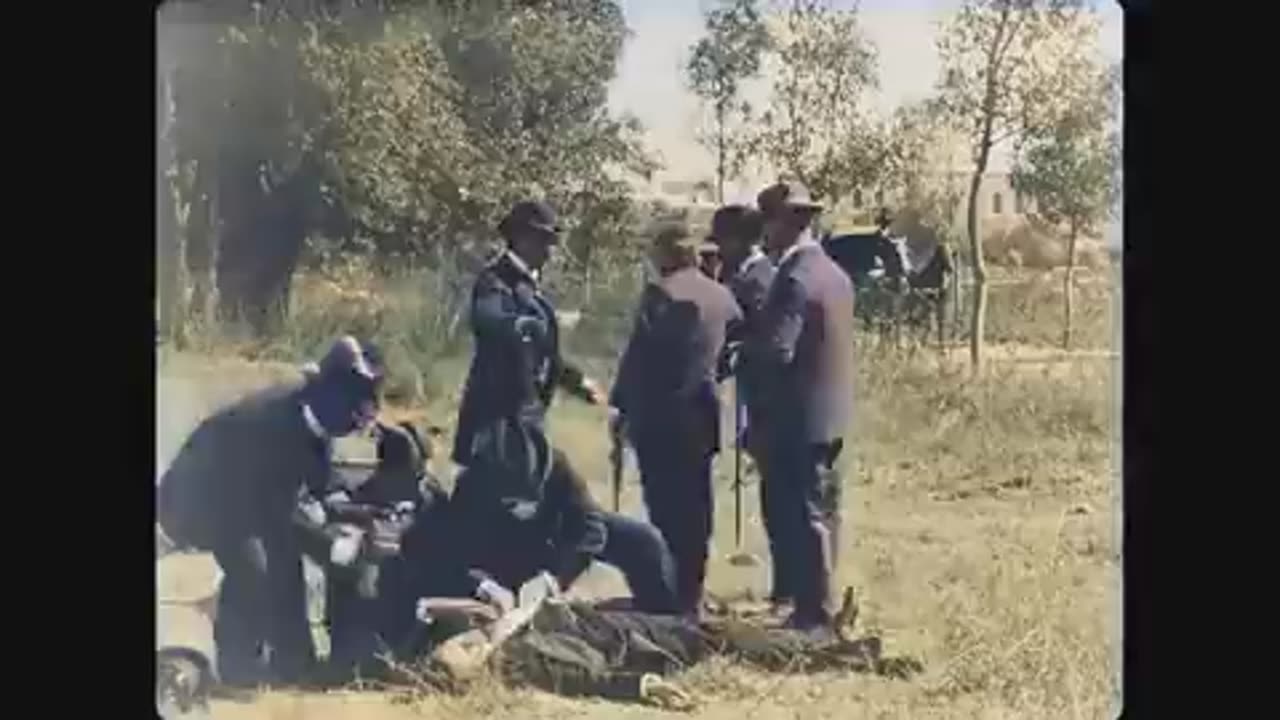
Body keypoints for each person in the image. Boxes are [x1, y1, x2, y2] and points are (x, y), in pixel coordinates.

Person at [449, 199, 679, 614]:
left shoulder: (532, 289)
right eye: (543, 240)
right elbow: (490, 321)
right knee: (501, 526)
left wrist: (576, 382)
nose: (550, 250)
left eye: (552, 241)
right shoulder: (495, 282)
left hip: (527, 427)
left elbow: (545, 358)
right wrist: (521, 325)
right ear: (520, 237)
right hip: (498, 432)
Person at [156, 336, 385, 687]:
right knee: (255, 568)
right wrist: (329, 545)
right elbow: (272, 512)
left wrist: (346, 509)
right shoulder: (272, 422)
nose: (359, 422)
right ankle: (238, 671)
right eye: (356, 411)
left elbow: (316, 474)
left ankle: (293, 664)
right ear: (334, 397)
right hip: (199, 501)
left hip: (248, 497)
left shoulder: (310, 411)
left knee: (285, 555)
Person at [609, 222, 743, 616]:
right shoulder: (722, 297)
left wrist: (621, 408)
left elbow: (639, 358)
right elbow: (737, 343)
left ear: (666, 254)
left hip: (660, 419)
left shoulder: (661, 294)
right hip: (701, 416)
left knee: (665, 509)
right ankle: (691, 592)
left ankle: (667, 594)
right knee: (697, 509)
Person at [745, 181, 855, 632]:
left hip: (795, 417)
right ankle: (822, 604)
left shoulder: (792, 279)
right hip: (830, 414)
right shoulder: (834, 273)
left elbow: (777, 352)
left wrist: (744, 355)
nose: (763, 238)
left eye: (766, 227)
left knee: (802, 513)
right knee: (824, 509)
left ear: (779, 225)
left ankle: (816, 613)